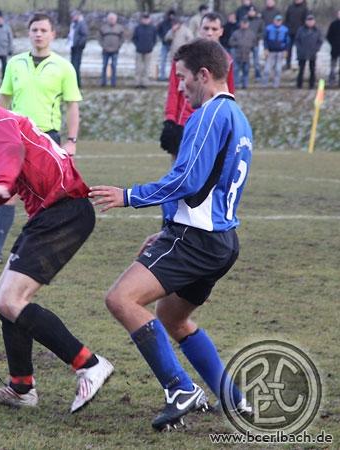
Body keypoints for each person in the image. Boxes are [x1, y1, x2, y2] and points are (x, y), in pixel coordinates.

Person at [89, 38, 253, 432]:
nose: (179, 88)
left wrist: (129, 196)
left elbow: (188, 180)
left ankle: (180, 389)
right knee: (172, 318)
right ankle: (233, 398)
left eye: (182, 79)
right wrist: (165, 231)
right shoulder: (238, 117)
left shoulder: (210, 115)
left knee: (121, 299)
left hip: (195, 239)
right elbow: (207, 187)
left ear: (204, 75)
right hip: (219, 241)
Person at [0, 66, 113, 413]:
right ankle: (21, 387)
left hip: (63, 213)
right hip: (57, 214)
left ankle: (89, 365)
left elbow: (9, 158)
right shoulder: (2, 119)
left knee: (11, 300)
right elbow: (10, 179)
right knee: (4, 298)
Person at [0, 13, 82, 266]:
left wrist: (72, 140)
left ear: (53, 34)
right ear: (29, 33)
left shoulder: (64, 67)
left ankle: (46, 250)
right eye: (34, 29)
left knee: (49, 196)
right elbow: (2, 101)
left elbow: (72, 107)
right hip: (16, 138)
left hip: (47, 138)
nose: (39, 34)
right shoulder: (15, 63)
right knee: (7, 192)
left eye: (44, 30)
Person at [160, 12, 234, 159]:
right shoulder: (183, 57)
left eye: (214, 29)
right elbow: (174, 90)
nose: (209, 33)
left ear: (221, 31)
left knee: (207, 172)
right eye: (206, 28)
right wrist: (170, 120)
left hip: (211, 123)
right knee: (178, 172)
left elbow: (229, 92)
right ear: (199, 29)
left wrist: (229, 122)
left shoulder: (228, 61)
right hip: (184, 122)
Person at [295, 15, 323, 89]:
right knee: (301, 69)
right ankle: (299, 84)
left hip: (312, 53)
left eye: (311, 21)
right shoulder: (301, 29)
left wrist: (316, 49)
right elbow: (297, 40)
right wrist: (300, 49)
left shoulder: (317, 30)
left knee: (312, 69)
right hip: (302, 52)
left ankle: (312, 84)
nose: (310, 22)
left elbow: (320, 41)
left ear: (314, 22)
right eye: (308, 21)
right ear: (306, 21)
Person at [262, 15, 289, 88]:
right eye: (277, 20)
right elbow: (265, 40)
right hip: (270, 51)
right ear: (274, 21)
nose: (278, 22)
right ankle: (264, 84)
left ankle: (276, 84)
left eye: (279, 20)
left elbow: (287, 41)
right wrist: (265, 49)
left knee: (278, 70)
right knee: (267, 69)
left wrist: (286, 50)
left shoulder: (285, 29)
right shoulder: (268, 28)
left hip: (280, 52)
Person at [99, 12, 125, 87]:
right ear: (107, 19)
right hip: (105, 50)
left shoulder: (120, 28)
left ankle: (113, 83)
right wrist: (103, 45)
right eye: (110, 19)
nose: (111, 20)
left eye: (113, 19)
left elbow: (122, 38)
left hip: (115, 50)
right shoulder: (103, 28)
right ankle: (103, 82)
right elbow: (99, 38)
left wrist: (118, 46)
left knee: (114, 66)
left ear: (116, 19)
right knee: (104, 66)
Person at [132, 12, 158, 88]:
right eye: (144, 19)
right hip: (139, 51)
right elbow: (134, 38)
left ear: (149, 19)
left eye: (147, 19)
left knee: (146, 68)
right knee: (138, 68)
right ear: (141, 19)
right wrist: (137, 45)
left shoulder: (153, 28)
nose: (146, 20)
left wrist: (151, 46)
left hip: (148, 51)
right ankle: (137, 83)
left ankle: (145, 83)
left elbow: (155, 39)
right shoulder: (137, 28)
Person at [230, 18, 257, 88]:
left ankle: (245, 85)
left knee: (246, 71)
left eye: (246, 23)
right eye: (243, 23)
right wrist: (238, 43)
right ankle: (236, 85)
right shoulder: (236, 33)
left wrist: (250, 46)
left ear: (248, 24)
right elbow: (230, 42)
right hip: (237, 55)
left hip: (247, 56)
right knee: (236, 71)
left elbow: (255, 43)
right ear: (240, 24)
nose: (244, 25)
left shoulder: (251, 33)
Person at [284, 0, 309, 69]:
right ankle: (287, 64)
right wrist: (286, 27)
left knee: (299, 50)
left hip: (300, 33)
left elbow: (306, 21)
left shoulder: (305, 8)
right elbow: (286, 19)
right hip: (290, 32)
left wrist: (304, 31)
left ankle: (300, 65)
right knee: (288, 49)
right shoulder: (290, 7)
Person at [68, 10, 88, 88]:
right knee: (73, 65)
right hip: (73, 46)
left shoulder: (82, 24)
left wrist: (79, 45)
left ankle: (77, 83)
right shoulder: (74, 24)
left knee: (76, 66)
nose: (72, 18)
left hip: (77, 48)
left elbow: (84, 36)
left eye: (73, 16)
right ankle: (74, 82)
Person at [157, 9, 176, 81]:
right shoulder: (163, 23)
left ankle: (173, 77)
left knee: (173, 61)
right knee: (163, 60)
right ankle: (162, 76)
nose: (172, 16)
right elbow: (158, 31)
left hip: (173, 44)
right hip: (164, 44)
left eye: (173, 15)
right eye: (170, 15)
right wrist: (162, 38)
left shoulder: (175, 23)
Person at [246, 6, 264, 80]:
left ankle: (258, 76)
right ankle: (245, 77)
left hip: (255, 43)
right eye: (250, 11)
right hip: (246, 44)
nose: (251, 12)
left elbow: (262, 32)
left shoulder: (259, 21)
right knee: (246, 61)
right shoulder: (245, 20)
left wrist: (255, 37)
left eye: (253, 11)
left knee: (256, 61)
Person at [326, 10, 340, 86]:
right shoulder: (333, 24)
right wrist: (333, 44)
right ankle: (331, 80)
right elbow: (328, 36)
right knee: (332, 67)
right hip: (334, 49)